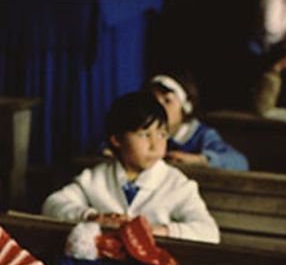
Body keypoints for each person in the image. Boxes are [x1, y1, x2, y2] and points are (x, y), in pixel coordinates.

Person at [42, 91, 221, 244]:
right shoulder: (96, 178)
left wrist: (158, 231)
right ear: (117, 140)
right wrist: (92, 217)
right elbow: (52, 204)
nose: (155, 144)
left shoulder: (177, 185)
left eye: (162, 134)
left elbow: (209, 232)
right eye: (144, 135)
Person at [146, 71, 250, 171]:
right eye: (153, 102)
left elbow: (240, 163)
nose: (159, 108)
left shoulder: (201, 135)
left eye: (167, 101)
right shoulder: (145, 132)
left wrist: (200, 160)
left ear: (186, 107)